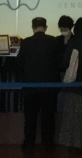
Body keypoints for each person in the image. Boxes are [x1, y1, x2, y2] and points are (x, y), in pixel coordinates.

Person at [16, 16, 62, 150]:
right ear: (45, 27)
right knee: (48, 117)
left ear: (33, 27)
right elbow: (60, 63)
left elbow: (19, 64)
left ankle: (29, 143)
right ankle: (48, 144)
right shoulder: (54, 41)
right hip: (50, 86)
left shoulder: (26, 42)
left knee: (30, 117)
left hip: (30, 86)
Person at [56, 17, 82, 150]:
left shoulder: (73, 42)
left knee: (72, 115)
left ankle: (71, 143)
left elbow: (65, 63)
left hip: (73, 84)